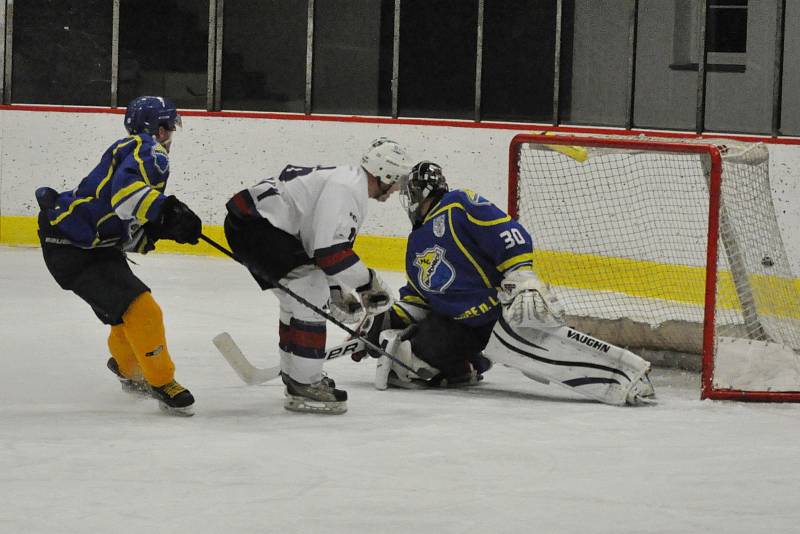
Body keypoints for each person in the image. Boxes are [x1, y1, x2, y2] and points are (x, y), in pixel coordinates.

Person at [357, 161, 655, 405]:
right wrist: (383, 321)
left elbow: (508, 232)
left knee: (554, 353)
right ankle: (469, 366)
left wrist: (522, 278)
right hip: (462, 327)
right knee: (408, 357)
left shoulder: (458, 204)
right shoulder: (414, 244)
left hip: (501, 313)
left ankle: (629, 377)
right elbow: (420, 297)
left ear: (419, 193)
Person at [36, 96, 203, 416]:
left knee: (122, 312)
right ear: (161, 129)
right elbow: (125, 195)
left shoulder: (130, 149)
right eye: (169, 127)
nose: (170, 135)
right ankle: (161, 381)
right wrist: (166, 212)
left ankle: (129, 368)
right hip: (73, 246)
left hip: (78, 242)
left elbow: (119, 217)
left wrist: (159, 231)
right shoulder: (149, 150)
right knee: (144, 310)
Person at [223, 137, 412, 414]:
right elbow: (330, 252)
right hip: (258, 227)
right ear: (384, 173)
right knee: (310, 293)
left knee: (299, 299)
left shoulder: (347, 181)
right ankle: (304, 383)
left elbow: (317, 247)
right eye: (395, 180)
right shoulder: (348, 189)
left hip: (253, 224)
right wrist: (368, 284)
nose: (396, 187)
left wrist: (337, 291)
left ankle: (295, 374)